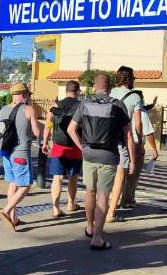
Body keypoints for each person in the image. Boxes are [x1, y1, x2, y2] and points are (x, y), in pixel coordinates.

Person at [67, 73, 134, 250]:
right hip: (109, 155)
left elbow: (71, 129)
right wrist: (132, 159)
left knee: (90, 191)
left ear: (95, 87)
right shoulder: (117, 105)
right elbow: (128, 134)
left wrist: (82, 147)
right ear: (110, 88)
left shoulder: (84, 103)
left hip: (89, 155)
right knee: (103, 195)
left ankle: (90, 227)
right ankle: (97, 237)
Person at [0, 82, 40, 231]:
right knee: (25, 186)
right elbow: (37, 132)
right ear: (24, 95)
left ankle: (13, 218)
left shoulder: (3, 110)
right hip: (21, 153)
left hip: (6, 152)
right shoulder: (28, 109)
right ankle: (5, 211)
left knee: (13, 184)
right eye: (27, 95)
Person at [41, 80, 82, 217]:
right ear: (78, 91)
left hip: (58, 147)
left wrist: (45, 143)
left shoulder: (55, 106)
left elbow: (48, 126)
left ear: (65, 91)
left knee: (57, 178)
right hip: (75, 147)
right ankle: (71, 204)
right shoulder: (81, 106)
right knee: (73, 177)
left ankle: (56, 208)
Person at [110, 66, 144, 209]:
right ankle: (116, 204)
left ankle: (107, 201)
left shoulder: (111, 92)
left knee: (110, 172)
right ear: (130, 79)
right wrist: (139, 143)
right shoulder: (135, 97)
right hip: (125, 137)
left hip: (108, 137)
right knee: (123, 171)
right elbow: (138, 123)